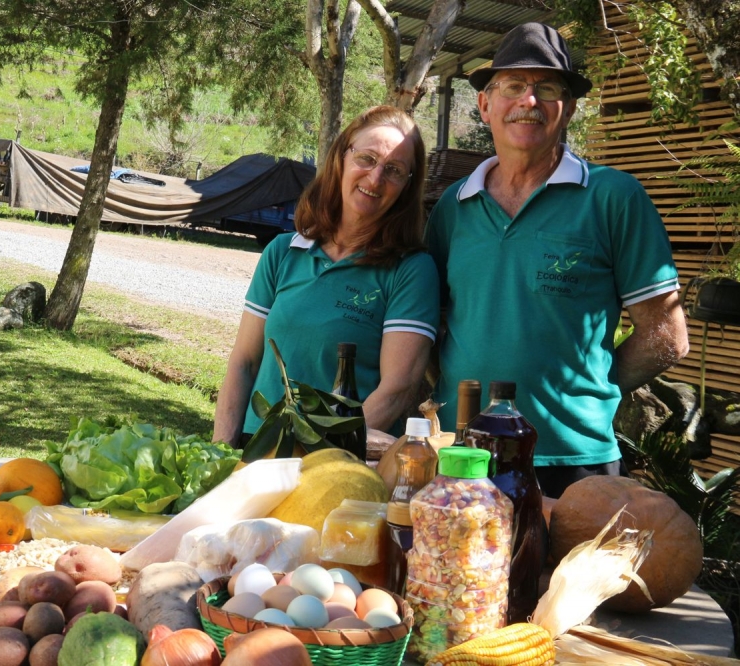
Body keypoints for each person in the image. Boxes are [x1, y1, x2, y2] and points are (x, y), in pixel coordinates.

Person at [425, 22, 690, 499]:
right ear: (485, 105)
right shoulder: (453, 207)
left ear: (567, 110)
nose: (529, 101)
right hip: (462, 453)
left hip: (575, 461)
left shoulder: (613, 198)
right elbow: (431, 320)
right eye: (512, 86)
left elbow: (665, 335)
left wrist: (588, 394)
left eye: (547, 88)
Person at [213, 105, 440, 449]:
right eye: (366, 158)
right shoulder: (282, 252)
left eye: (394, 170)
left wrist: (318, 460)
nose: (376, 178)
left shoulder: (410, 271)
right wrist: (220, 452)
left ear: (406, 187)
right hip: (255, 450)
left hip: (337, 462)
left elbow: (397, 389)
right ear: (341, 158)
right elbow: (244, 363)